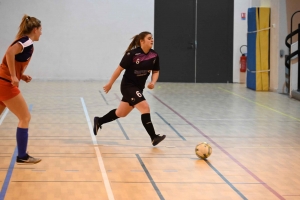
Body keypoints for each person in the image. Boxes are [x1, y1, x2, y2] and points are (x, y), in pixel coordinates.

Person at [93, 31, 166, 146]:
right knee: (145, 107)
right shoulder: (132, 54)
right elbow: (119, 69)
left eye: (152, 38)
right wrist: (110, 84)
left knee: (121, 113)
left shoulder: (154, 55)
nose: (152, 40)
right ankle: (153, 137)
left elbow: (156, 71)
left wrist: (153, 82)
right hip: (128, 86)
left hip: (138, 88)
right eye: (149, 38)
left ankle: (99, 120)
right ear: (141, 41)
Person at [0, 15, 42, 164]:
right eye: (40, 30)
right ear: (35, 30)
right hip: (5, 84)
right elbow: (10, 53)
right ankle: (22, 156)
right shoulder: (27, 41)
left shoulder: (23, 41)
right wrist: (13, 76)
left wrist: (20, 76)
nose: (41, 33)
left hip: (2, 81)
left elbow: (12, 60)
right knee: (25, 117)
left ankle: (22, 155)